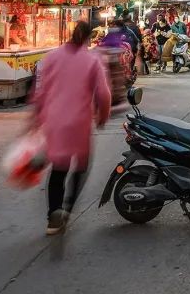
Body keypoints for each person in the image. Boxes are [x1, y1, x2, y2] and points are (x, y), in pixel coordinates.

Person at [31, 21, 111, 235]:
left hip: (54, 121)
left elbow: (40, 92)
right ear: (88, 38)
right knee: (81, 167)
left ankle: (53, 216)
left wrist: (36, 119)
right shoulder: (92, 60)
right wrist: (102, 116)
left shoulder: (52, 57)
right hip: (79, 123)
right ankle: (67, 209)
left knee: (58, 169)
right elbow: (103, 95)